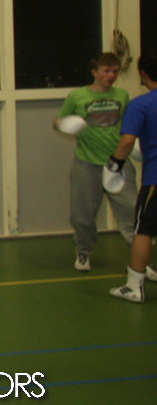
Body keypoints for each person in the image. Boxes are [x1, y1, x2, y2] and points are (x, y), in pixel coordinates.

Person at [54, 52, 138, 271]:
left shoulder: (122, 95)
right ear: (94, 72)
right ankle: (83, 251)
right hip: (86, 164)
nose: (111, 75)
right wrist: (65, 125)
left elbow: (129, 124)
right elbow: (57, 121)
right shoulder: (77, 96)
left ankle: (141, 259)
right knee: (82, 215)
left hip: (118, 164)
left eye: (115, 71)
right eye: (106, 71)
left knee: (131, 211)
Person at [107, 52, 157, 302]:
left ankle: (134, 286)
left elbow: (127, 142)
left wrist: (113, 166)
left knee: (143, 231)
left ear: (143, 74)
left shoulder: (141, 104)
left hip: (155, 179)